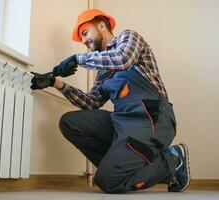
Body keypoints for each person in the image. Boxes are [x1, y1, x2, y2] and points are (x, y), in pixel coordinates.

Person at [31, 9, 190, 194]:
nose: (83, 41)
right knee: (70, 123)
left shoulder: (129, 38)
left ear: (101, 25)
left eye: (85, 33)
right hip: (123, 122)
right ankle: (118, 167)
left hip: (151, 117)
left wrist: (76, 59)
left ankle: (173, 160)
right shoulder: (102, 71)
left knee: (108, 182)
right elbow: (91, 103)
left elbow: (123, 59)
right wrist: (55, 83)